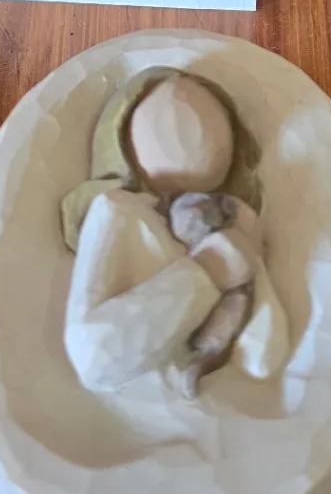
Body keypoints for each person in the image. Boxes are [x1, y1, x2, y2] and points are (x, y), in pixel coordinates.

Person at [62, 68, 290, 399]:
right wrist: (208, 271)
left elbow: (264, 355)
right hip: (133, 409)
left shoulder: (225, 217)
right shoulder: (117, 212)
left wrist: (250, 261)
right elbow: (94, 357)